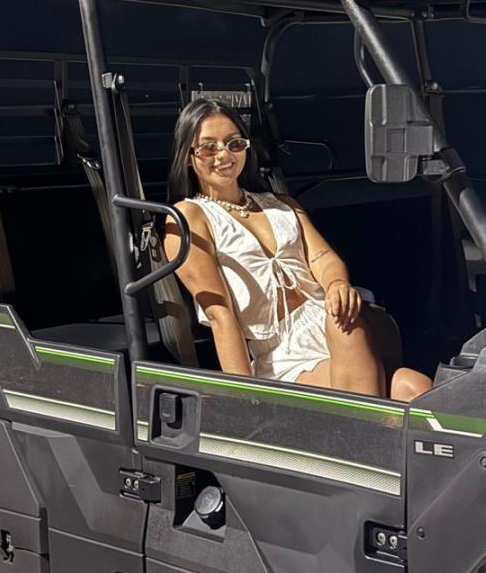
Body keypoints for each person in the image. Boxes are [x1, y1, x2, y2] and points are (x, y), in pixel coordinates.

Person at [162, 98, 433, 401]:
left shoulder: (281, 204)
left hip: (327, 321)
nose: (224, 155)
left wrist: (337, 284)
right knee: (345, 326)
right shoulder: (189, 217)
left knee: (415, 387)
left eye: (234, 143)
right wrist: (245, 398)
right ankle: (365, 428)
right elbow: (219, 314)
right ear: (189, 157)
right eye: (209, 147)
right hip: (284, 354)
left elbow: (322, 257)